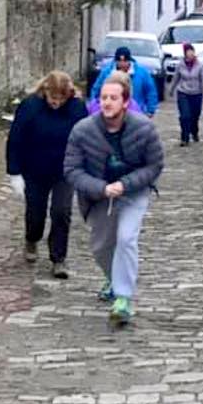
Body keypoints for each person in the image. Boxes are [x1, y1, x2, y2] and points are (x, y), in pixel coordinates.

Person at [64, 69, 165, 328]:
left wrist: (125, 184)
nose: (107, 102)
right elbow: (72, 170)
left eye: (113, 98)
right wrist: (100, 188)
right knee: (101, 247)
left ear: (126, 101)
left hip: (133, 192)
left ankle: (123, 299)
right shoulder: (83, 130)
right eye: (103, 98)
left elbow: (154, 166)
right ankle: (112, 279)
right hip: (98, 195)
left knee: (126, 238)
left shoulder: (144, 128)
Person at [5, 71, 89, 279]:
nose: (56, 103)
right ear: (45, 91)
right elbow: (16, 139)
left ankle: (58, 258)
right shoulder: (31, 106)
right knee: (36, 212)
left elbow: (87, 138)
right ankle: (32, 239)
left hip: (65, 169)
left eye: (61, 98)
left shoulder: (77, 108)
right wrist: (14, 172)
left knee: (62, 212)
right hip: (34, 168)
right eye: (53, 98)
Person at [89, 46, 159, 116]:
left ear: (130, 60)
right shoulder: (106, 72)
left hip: (135, 113)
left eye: (125, 61)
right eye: (119, 61)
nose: (122, 63)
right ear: (115, 60)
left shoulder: (142, 72)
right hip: (111, 113)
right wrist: (95, 107)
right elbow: (96, 89)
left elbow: (151, 91)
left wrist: (150, 110)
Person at [168, 43, 203, 146]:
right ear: (185, 54)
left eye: (192, 52)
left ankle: (194, 132)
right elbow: (175, 78)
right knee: (185, 116)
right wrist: (171, 90)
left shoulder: (200, 65)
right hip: (183, 92)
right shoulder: (180, 65)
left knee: (195, 116)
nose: (190, 55)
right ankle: (184, 138)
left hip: (196, 93)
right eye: (188, 53)